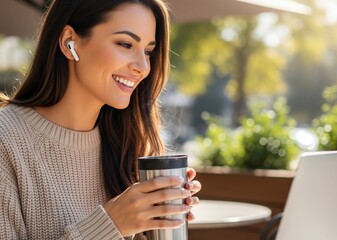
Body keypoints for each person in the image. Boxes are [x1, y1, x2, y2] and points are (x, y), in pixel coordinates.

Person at [0, 0, 201, 239]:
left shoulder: (126, 142)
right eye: (125, 44)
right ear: (69, 42)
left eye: (148, 51)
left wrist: (161, 216)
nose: (143, 67)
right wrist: (111, 224)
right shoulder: (6, 141)